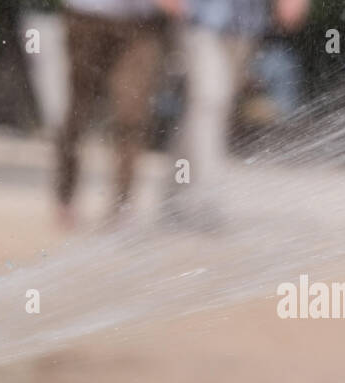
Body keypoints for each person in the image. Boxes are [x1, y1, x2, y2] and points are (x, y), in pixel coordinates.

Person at [161, 0, 308, 225]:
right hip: (197, 19)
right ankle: (206, 198)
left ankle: (175, 192)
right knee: (211, 100)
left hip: (245, 26)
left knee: (206, 110)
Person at [55, 0, 169, 229]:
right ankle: (65, 195)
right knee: (78, 114)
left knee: (132, 116)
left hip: (142, 26)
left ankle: (121, 207)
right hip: (88, 16)